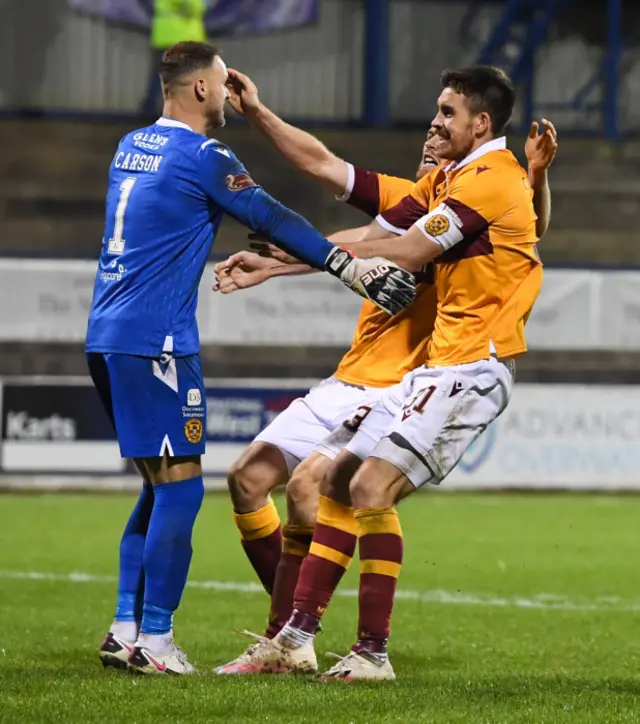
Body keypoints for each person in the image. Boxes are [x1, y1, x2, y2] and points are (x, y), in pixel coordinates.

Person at [211, 69, 557, 674]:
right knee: (329, 482)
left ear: (479, 123)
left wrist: (297, 253)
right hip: (429, 370)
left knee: (339, 487)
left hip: (460, 366)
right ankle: (294, 639)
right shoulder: (442, 188)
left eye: (447, 113)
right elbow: (341, 191)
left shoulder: (485, 181)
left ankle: (355, 648)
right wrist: (279, 259)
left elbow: (407, 249)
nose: (433, 124)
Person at [86, 40, 415, 676]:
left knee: (156, 486)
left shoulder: (131, 146)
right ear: (204, 89)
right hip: (157, 341)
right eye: (220, 81)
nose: (227, 95)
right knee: (181, 491)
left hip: (106, 332)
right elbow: (267, 211)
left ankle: (124, 624)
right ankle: (154, 643)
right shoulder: (204, 153)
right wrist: (348, 266)